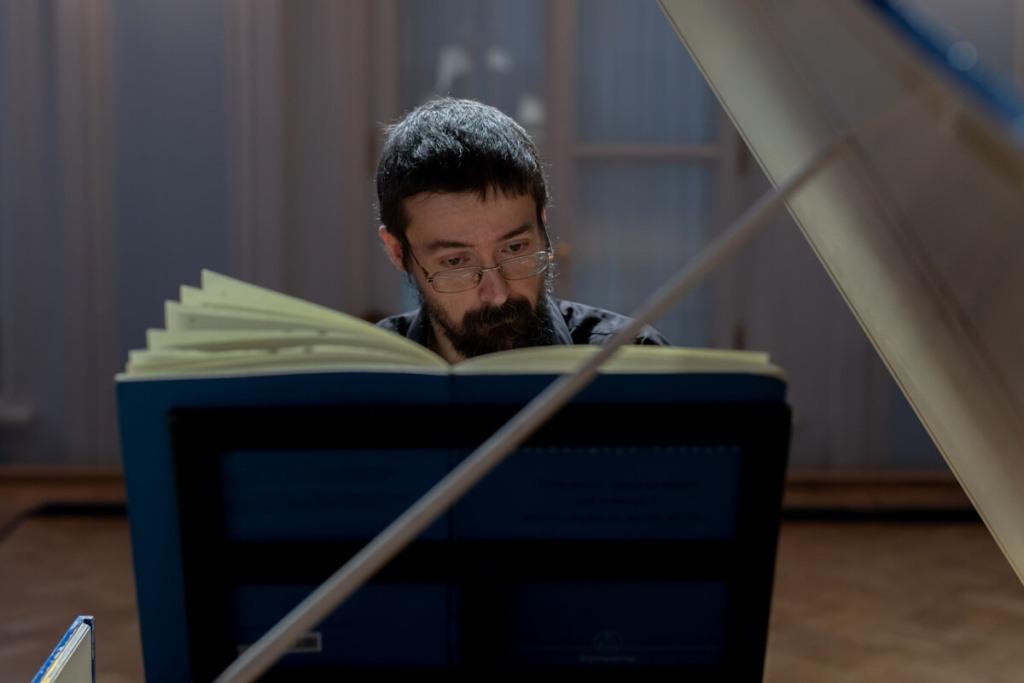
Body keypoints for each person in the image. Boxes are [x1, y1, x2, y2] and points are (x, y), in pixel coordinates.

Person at [375, 98, 669, 362]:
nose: (498, 294)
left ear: (542, 225)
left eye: (515, 248)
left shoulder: (633, 362)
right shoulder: (363, 373)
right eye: (455, 261)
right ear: (398, 252)